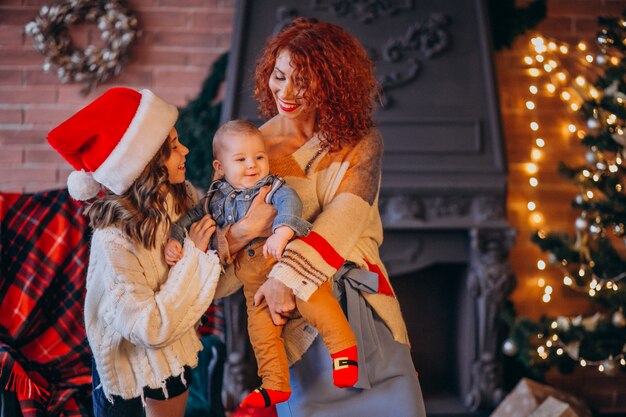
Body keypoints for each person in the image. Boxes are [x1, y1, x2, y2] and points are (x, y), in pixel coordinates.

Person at [213, 17, 427, 417]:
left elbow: (346, 217)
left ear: (332, 82)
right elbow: (221, 231)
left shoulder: (360, 142)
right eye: (279, 76)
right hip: (296, 328)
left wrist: (285, 276)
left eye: (304, 81)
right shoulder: (249, 150)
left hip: (367, 315)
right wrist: (244, 232)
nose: (287, 92)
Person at [46, 87, 223, 417]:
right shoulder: (113, 239)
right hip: (128, 368)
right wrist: (195, 255)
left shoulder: (181, 196)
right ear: (146, 165)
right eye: (172, 148)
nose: (184, 150)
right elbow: (148, 328)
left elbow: (212, 260)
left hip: (172, 359)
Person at [164, 119, 360, 408]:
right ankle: (275, 384)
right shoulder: (212, 201)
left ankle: (344, 352)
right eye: (241, 159)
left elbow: (289, 203)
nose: (253, 165)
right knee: (261, 334)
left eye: (259, 157)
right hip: (254, 286)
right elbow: (187, 221)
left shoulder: (271, 186)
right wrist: (174, 240)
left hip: (289, 268)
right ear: (220, 168)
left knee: (317, 303)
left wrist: (282, 231)